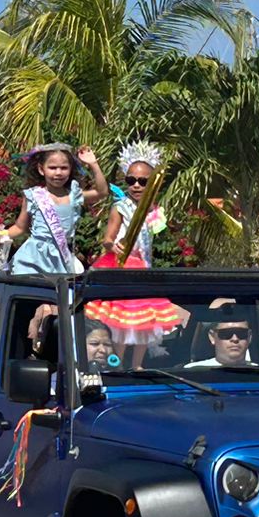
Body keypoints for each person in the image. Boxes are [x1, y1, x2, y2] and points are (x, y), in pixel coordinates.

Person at [89, 141, 182, 369]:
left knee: (145, 322)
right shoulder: (121, 207)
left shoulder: (154, 210)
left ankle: (137, 364)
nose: (137, 185)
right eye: (131, 180)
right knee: (124, 322)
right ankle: (118, 364)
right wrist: (113, 246)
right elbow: (107, 238)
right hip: (123, 265)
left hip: (144, 266)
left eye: (143, 181)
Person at [0, 144, 108, 275]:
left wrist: (93, 164)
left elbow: (101, 192)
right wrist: (0, 234)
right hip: (33, 258)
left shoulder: (74, 195)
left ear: (70, 170)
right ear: (41, 170)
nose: (58, 172)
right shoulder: (33, 195)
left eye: (64, 168)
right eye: (52, 168)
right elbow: (20, 227)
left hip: (61, 258)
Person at [187, 313, 256, 369]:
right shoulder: (193, 372)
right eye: (226, 333)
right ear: (212, 337)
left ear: (249, 336)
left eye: (241, 333)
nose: (235, 339)